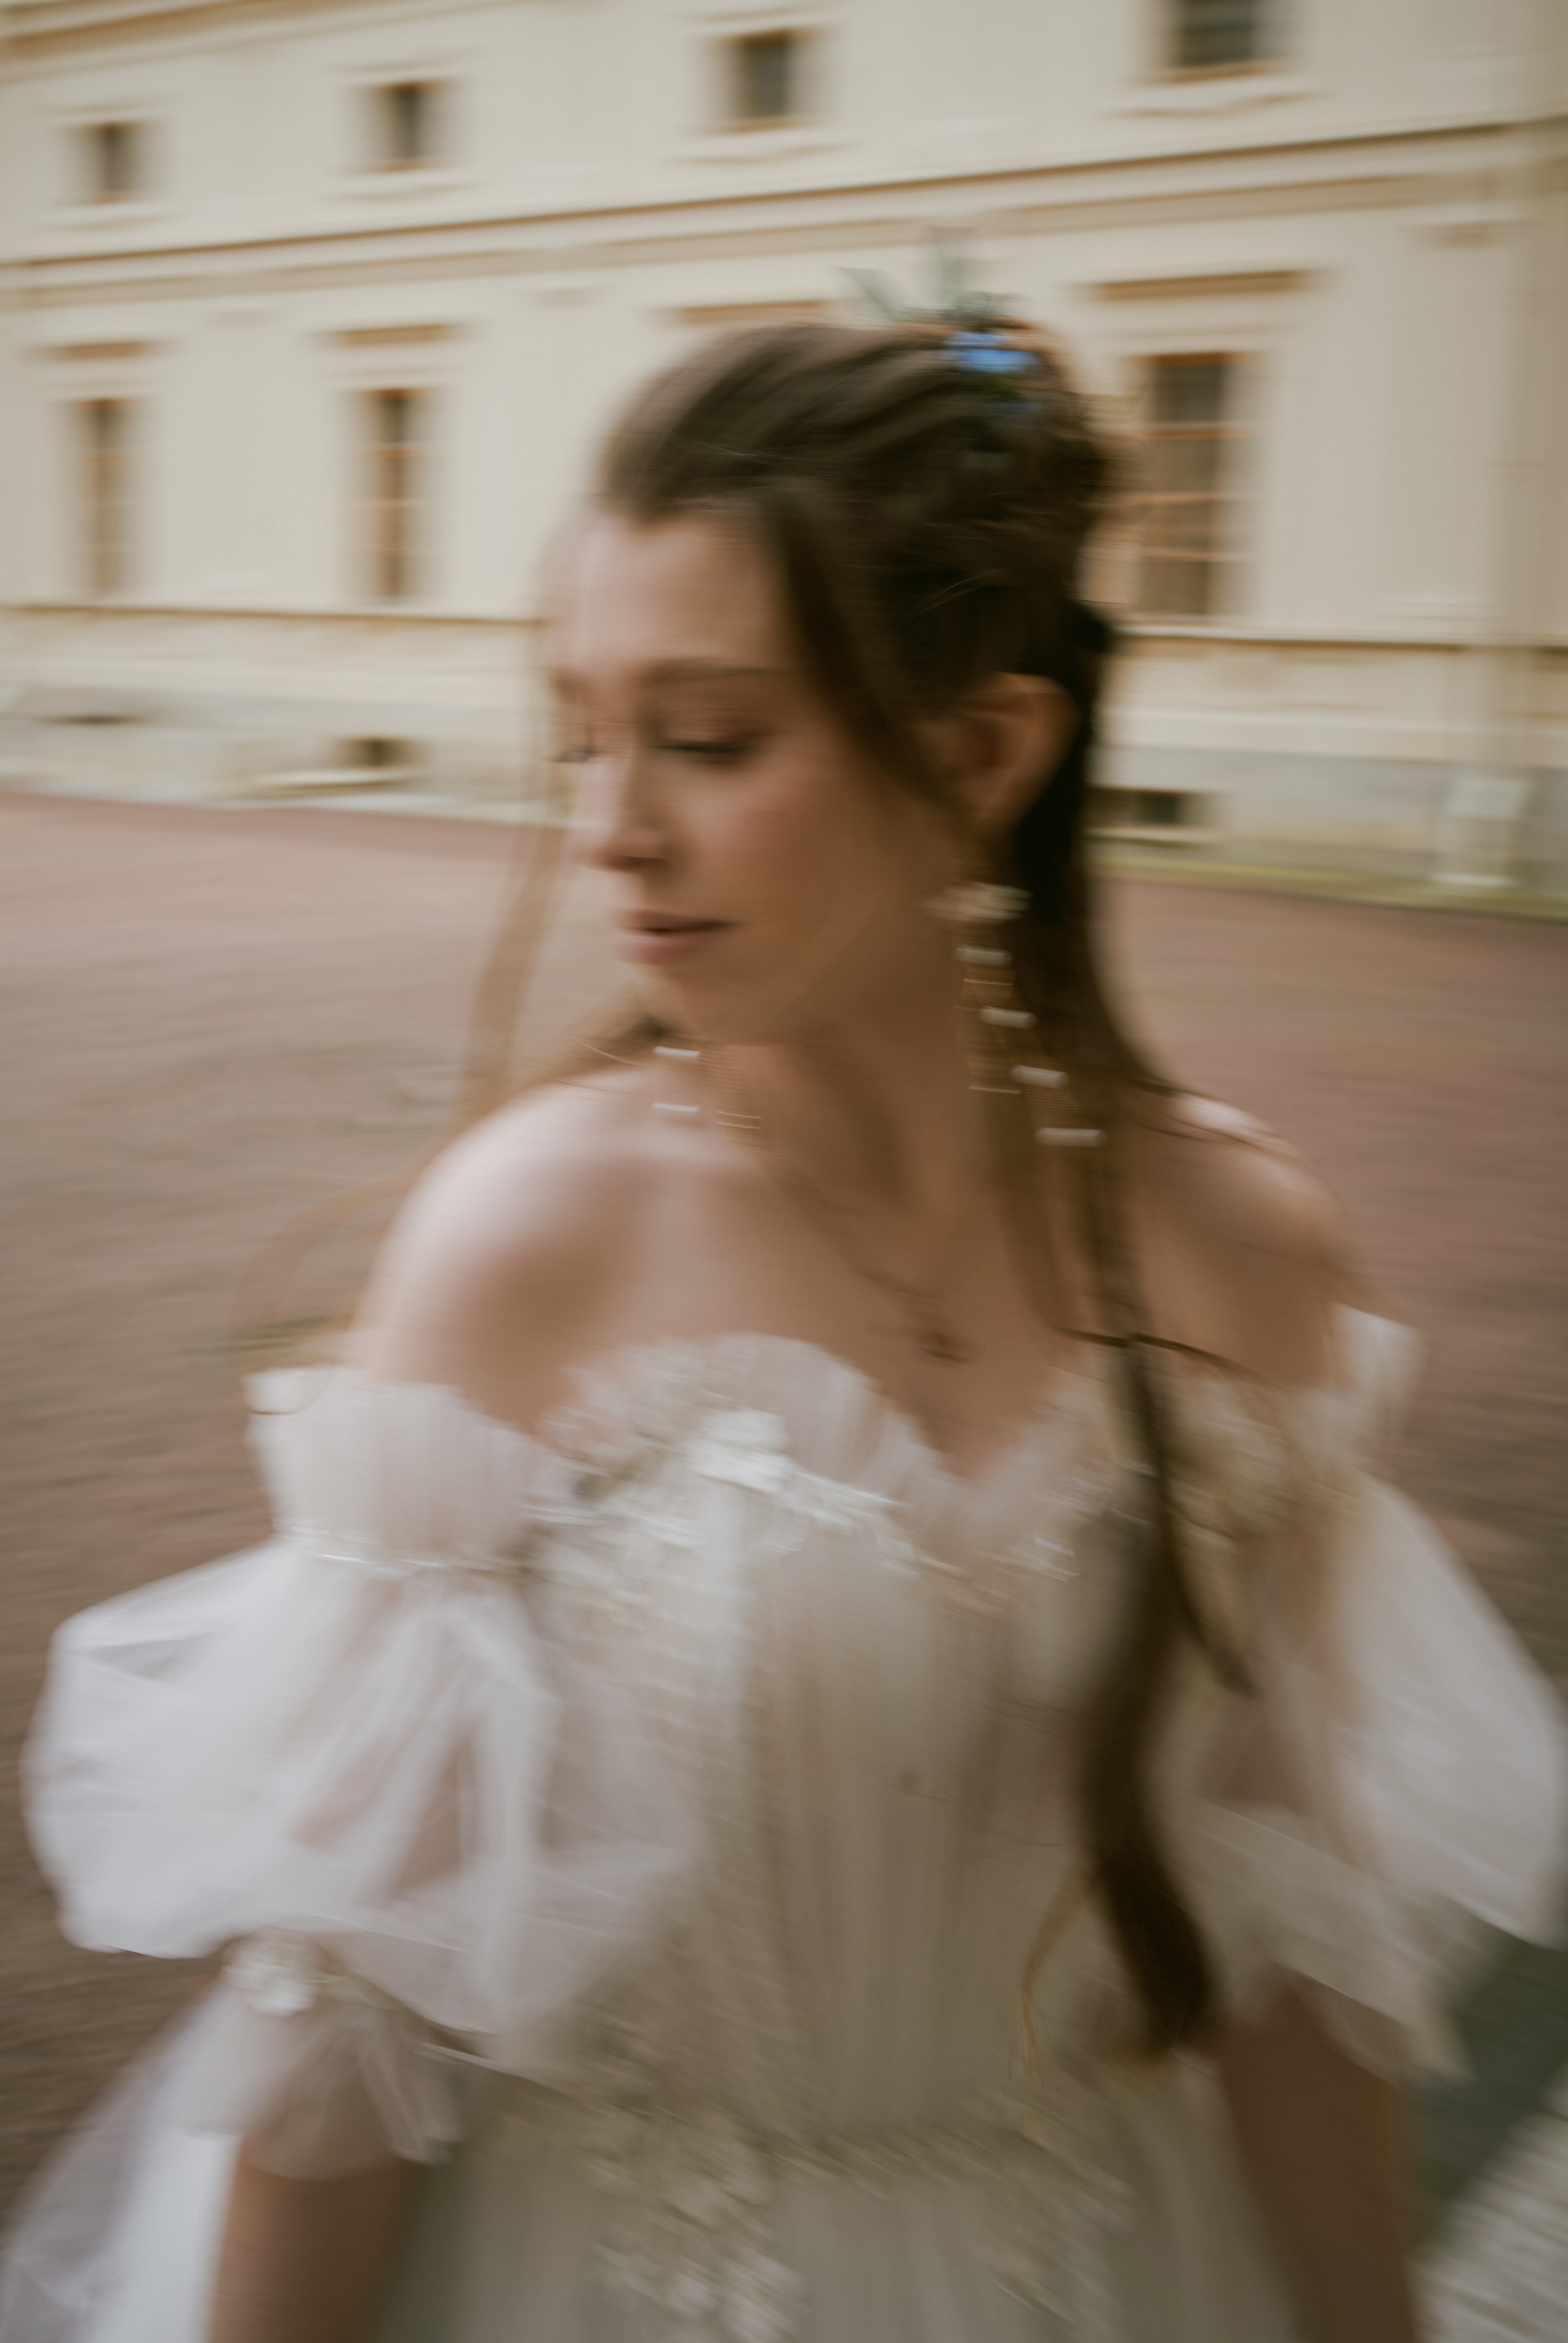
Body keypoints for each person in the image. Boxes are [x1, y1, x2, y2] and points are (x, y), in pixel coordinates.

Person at [2, 318, 1564, 2343]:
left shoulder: (1240, 1253)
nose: (611, 827)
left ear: (985, 752)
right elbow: (350, 2017)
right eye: (586, 734)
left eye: (711, 738)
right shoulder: (528, 1244)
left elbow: (1291, 1956)